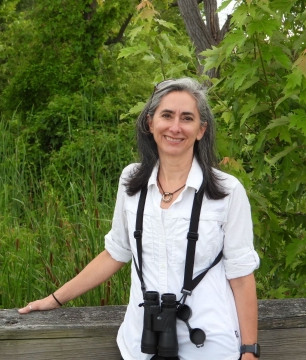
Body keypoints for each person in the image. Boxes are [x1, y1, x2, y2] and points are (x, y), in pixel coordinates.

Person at [18, 78, 260, 360]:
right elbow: (116, 253)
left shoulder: (227, 192)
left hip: (209, 345)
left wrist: (249, 351)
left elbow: (241, 277)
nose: (175, 127)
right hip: (139, 345)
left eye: (187, 118)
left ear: (201, 130)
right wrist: (55, 299)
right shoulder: (131, 182)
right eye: (166, 115)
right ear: (150, 123)